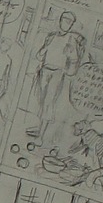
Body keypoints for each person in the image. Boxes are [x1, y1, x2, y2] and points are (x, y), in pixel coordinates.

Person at [29, 11, 85, 144]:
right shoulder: (51, 36)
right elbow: (39, 55)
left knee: (49, 102)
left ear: (71, 25)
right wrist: (45, 49)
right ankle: (39, 128)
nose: (66, 23)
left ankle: (41, 136)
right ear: (60, 21)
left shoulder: (71, 40)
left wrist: (68, 70)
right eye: (64, 20)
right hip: (45, 70)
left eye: (69, 22)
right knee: (41, 99)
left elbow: (75, 59)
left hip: (57, 73)